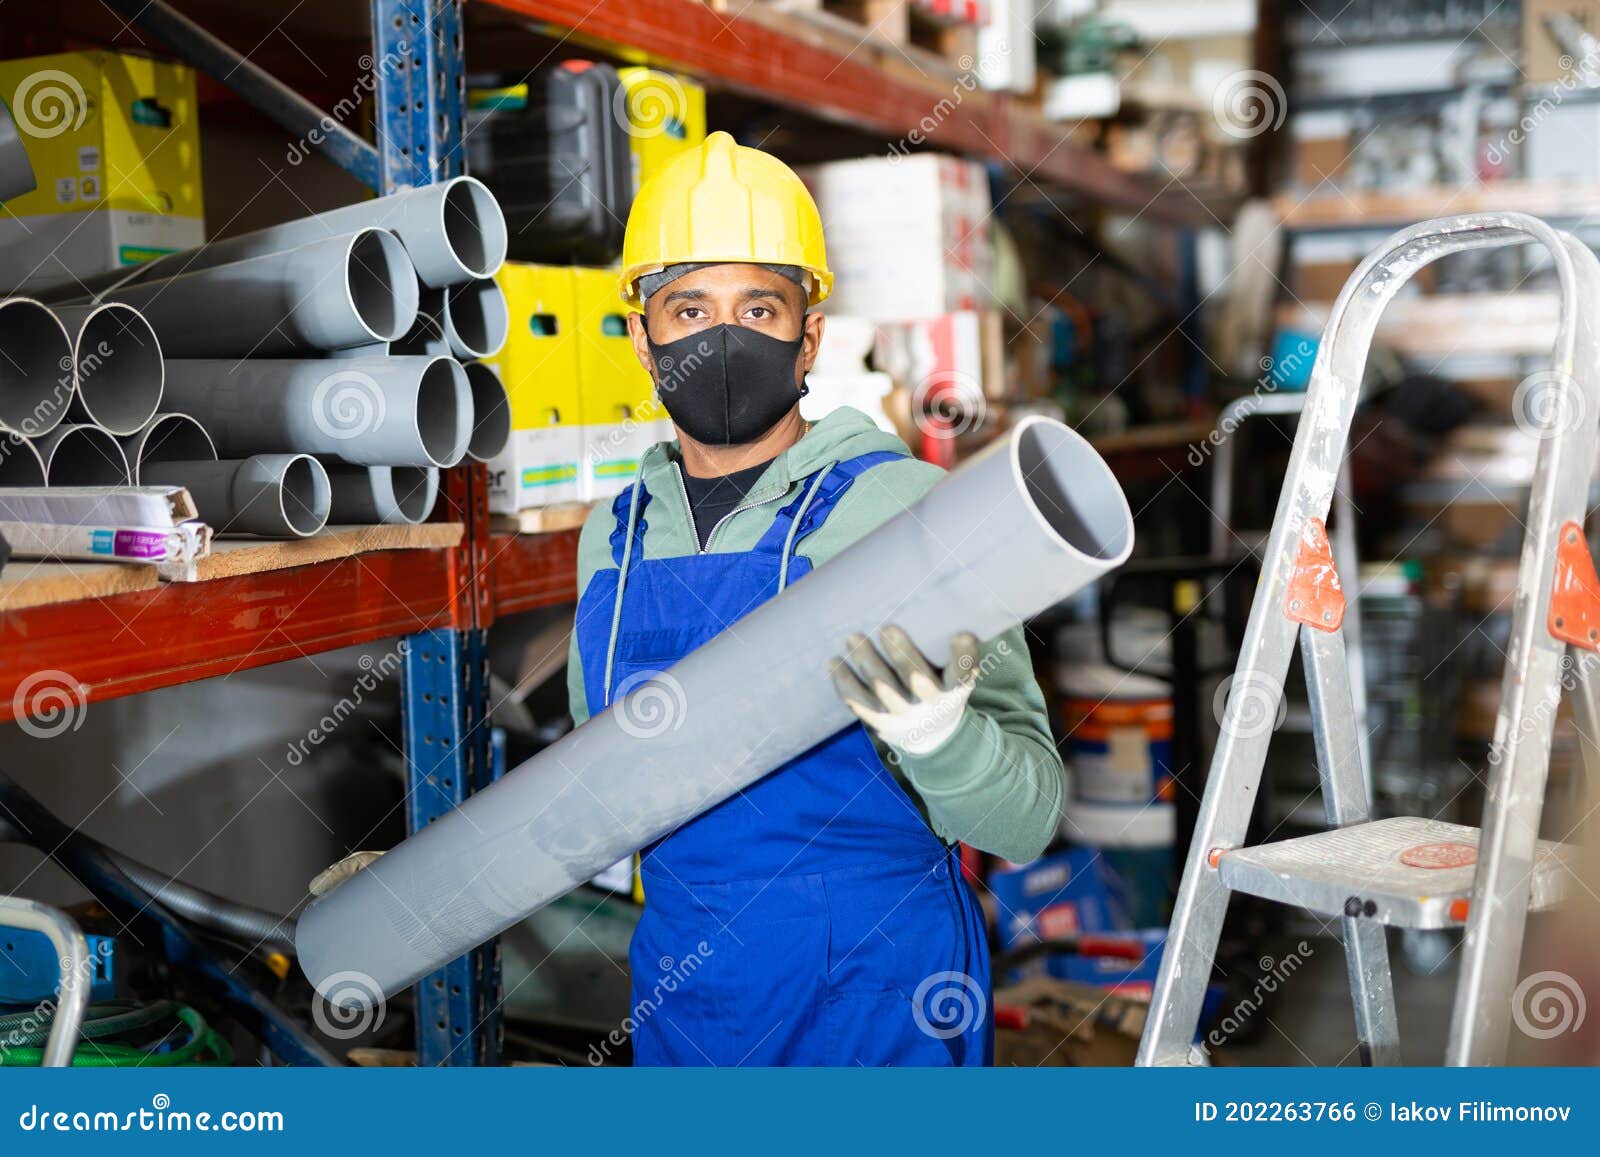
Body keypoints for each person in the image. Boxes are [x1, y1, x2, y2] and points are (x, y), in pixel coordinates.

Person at [564, 132, 1064, 1066]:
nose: (724, 337)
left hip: (875, 1000)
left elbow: (1028, 821)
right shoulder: (614, 541)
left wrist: (942, 741)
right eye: (687, 308)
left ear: (811, 334)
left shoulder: (905, 509)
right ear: (640, 336)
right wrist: (417, 885)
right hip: (689, 997)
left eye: (761, 305)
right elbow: (597, 796)